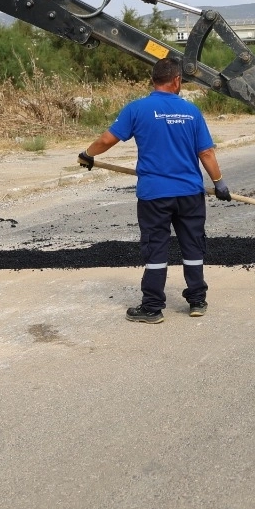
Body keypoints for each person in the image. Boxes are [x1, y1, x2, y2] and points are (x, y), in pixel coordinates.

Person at [79, 57, 230, 324]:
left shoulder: (137, 109)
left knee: (156, 248)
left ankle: (152, 308)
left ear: (153, 80)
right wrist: (218, 182)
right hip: (189, 194)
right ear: (177, 80)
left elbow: (106, 139)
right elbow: (206, 152)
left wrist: (88, 154)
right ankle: (197, 301)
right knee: (193, 246)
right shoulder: (191, 111)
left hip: (154, 195)